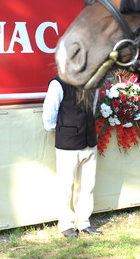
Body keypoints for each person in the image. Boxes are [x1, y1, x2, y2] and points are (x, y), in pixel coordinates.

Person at [42, 76, 101, 238]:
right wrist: (64, 130)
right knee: (65, 186)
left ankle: (84, 222)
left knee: (88, 185)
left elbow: (93, 108)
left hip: (89, 141)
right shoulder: (57, 84)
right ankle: (66, 225)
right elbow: (49, 116)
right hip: (67, 143)